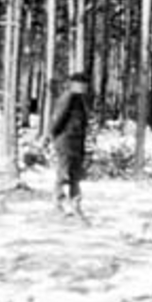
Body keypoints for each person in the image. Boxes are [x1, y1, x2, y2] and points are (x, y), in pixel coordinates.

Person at [50, 71, 90, 215]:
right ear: (75, 84)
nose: (84, 87)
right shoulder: (68, 98)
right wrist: (54, 135)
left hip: (77, 142)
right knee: (63, 173)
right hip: (66, 141)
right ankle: (58, 203)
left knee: (75, 175)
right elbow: (58, 119)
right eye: (82, 84)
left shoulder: (80, 100)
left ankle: (75, 203)